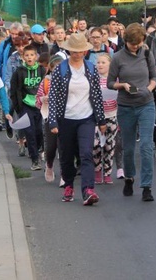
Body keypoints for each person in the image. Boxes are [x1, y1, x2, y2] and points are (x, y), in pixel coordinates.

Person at [47, 34, 106, 205]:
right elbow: (54, 97)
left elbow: (96, 95)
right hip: (65, 118)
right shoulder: (61, 70)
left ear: (85, 51)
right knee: (66, 155)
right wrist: (53, 121)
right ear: (69, 50)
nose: (78, 54)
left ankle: (88, 190)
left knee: (86, 153)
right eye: (74, 51)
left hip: (86, 118)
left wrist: (101, 120)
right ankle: (68, 186)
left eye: (81, 51)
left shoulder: (91, 68)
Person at [107, 23, 156, 202]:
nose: (135, 46)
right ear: (125, 41)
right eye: (132, 43)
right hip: (126, 106)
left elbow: (154, 77)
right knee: (128, 148)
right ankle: (129, 178)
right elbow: (110, 82)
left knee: (146, 145)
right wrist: (123, 85)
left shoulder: (146, 53)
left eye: (138, 43)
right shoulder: (118, 57)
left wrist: (149, 89)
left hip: (146, 104)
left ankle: (146, 186)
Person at [8, 46, 46, 169]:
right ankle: (35, 159)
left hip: (39, 105)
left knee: (39, 131)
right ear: (23, 57)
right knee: (29, 131)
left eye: (32, 55)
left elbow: (47, 85)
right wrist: (18, 106)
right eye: (27, 55)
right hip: (25, 105)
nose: (29, 57)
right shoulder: (19, 72)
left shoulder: (41, 70)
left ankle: (39, 149)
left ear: (36, 56)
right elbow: (14, 90)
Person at [36, 54, 63, 184]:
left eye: (61, 67)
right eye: (55, 67)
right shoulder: (46, 81)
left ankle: (65, 174)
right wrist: (43, 99)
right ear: (51, 68)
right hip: (49, 116)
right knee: (51, 146)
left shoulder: (69, 79)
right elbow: (38, 99)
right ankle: (49, 165)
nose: (58, 69)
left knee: (65, 146)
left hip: (66, 116)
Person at [93, 53, 118, 185]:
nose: (100, 65)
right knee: (95, 145)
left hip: (112, 115)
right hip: (96, 117)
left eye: (103, 62)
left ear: (110, 64)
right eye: (98, 63)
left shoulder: (114, 80)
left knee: (109, 145)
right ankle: (97, 171)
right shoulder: (93, 79)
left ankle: (107, 173)